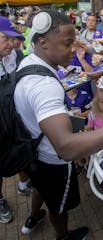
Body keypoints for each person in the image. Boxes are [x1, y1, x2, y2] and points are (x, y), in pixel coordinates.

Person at [14, 10, 103, 239]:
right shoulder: (44, 86)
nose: (74, 49)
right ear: (43, 42)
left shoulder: (30, 62)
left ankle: (34, 216)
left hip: (33, 152)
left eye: (75, 41)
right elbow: (66, 147)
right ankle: (63, 236)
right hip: (52, 161)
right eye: (68, 43)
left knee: (42, 189)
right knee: (59, 205)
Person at [0, 16, 32, 224]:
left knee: (20, 149)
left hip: (14, 118)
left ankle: (23, 183)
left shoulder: (16, 55)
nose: (13, 44)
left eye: (15, 39)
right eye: (7, 39)